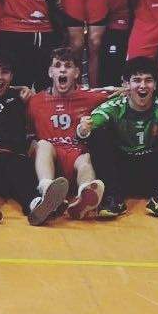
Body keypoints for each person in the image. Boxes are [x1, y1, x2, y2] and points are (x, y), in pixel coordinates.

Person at [0, 51, 68, 226]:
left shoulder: (19, 98)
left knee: (23, 175)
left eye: (5, 72)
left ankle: (38, 205)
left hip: (15, 156)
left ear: (12, 76)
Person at [77, 56, 158, 219]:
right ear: (126, 84)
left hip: (152, 172)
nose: (143, 86)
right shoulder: (113, 107)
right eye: (136, 80)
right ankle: (113, 197)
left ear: (155, 85)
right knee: (97, 134)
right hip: (121, 173)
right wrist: (83, 129)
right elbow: (86, 128)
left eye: (148, 80)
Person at [27, 48, 111, 219]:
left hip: (76, 154)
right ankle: (47, 190)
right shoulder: (34, 102)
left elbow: (118, 94)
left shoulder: (91, 97)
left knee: (85, 159)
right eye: (57, 66)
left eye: (68, 66)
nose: (63, 70)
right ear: (50, 72)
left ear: (77, 73)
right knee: (42, 144)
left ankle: (85, 195)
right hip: (51, 161)